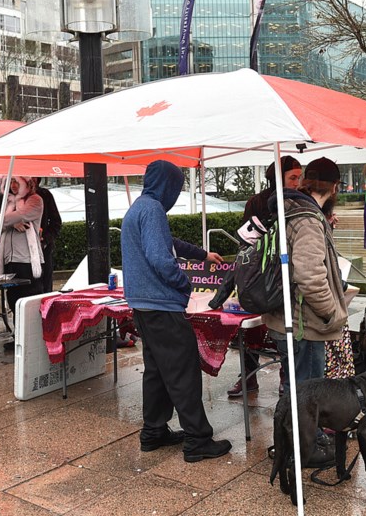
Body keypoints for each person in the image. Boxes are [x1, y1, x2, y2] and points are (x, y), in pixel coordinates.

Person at [120, 160, 232, 463]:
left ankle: (153, 432)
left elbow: (168, 243)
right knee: (183, 371)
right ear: (167, 185)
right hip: (161, 304)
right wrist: (183, 284)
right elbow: (161, 256)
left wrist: (201, 254)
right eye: (178, 186)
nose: (177, 192)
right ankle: (198, 440)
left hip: (142, 305)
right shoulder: (153, 209)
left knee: (157, 371)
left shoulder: (140, 207)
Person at [261, 157, 349, 390]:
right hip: (304, 324)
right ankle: (307, 429)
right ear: (334, 187)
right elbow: (309, 276)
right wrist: (331, 313)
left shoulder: (289, 209)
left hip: (285, 317)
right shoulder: (308, 219)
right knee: (307, 396)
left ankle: (290, 427)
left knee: (294, 392)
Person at [227, 156, 302, 398]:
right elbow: (244, 239)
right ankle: (248, 377)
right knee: (251, 329)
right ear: (277, 178)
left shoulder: (300, 202)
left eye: (300, 177)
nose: (298, 182)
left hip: (289, 275)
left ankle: (285, 377)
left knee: (285, 328)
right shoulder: (256, 202)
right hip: (259, 276)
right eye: (293, 177)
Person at [0, 177, 45, 325]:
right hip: (9, 259)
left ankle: (30, 338)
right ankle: (17, 336)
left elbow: (19, 215)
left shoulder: (35, 200)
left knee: (29, 299)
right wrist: (11, 224)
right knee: (13, 299)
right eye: (11, 182)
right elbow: (0, 226)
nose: (14, 186)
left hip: (26, 260)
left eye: (17, 182)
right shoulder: (9, 203)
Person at [35, 177, 63, 294]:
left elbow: (56, 222)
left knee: (44, 285)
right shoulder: (14, 197)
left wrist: (45, 240)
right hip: (21, 253)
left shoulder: (45, 195)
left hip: (43, 248)